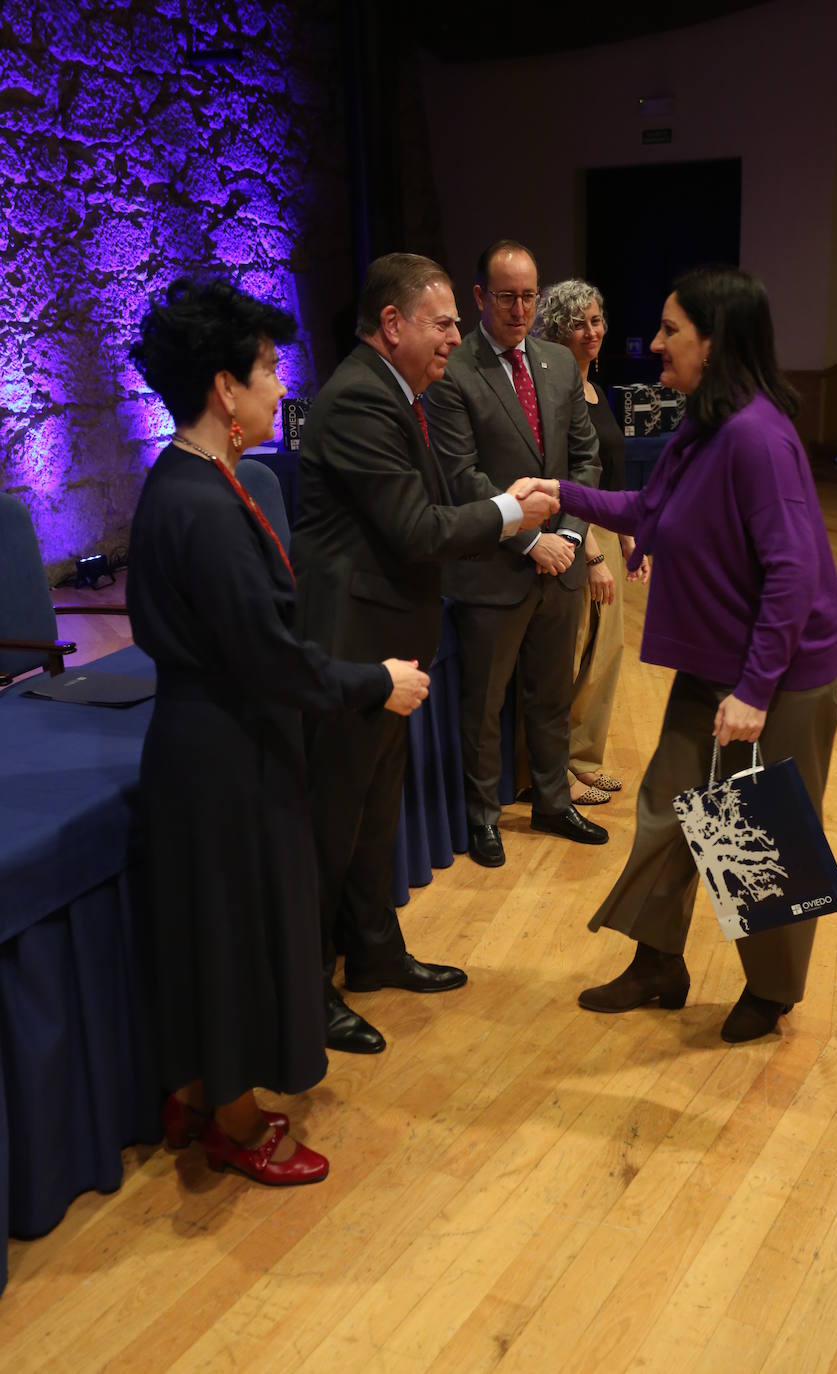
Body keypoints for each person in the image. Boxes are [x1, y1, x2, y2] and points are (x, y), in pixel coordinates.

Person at [127, 277, 431, 1185]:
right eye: (266, 371)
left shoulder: (185, 479)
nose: (275, 388)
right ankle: (234, 1116)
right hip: (226, 754)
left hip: (205, 742)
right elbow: (269, 658)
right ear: (224, 389)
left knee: (206, 928)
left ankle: (190, 1088)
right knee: (232, 935)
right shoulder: (207, 506)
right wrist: (374, 681)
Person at [517, 265, 837, 1042]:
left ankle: (771, 994)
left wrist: (759, 690)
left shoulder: (758, 437)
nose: (655, 341)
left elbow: (793, 574)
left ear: (716, 340)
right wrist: (560, 492)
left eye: (672, 330)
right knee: (669, 806)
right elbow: (645, 509)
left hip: (780, 675)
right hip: (718, 666)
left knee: (754, 829)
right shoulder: (704, 421)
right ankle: (659, 960)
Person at [290, 252, 558, 1056]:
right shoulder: (359, 400)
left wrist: (504, 508)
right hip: (350, 650)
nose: (452, 336)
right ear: (393, 322)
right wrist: (510, 511)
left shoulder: (404, 395)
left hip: (390, 648)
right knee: (330, 829)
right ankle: (311, 994)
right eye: (441, 321)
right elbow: (415, 529)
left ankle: (373, 953)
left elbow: (436, 508)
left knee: (374, 817)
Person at [424, 240, 607, 869]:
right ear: (480, 297)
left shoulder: (557, 362)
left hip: (563, 563)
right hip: (495, 566)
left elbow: (586, 462)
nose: (520, 308)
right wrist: (532, 539)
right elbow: (460, 476)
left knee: (551, 697)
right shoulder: (453, 370)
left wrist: (574, 539)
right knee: (484, 706)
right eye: (507, 296)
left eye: (529, 295)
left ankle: (553, 801)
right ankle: (482, 818)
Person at [529, 279, 650, 806]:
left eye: (597, 320)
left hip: (604, 527)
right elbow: (563, 478)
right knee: (575, 654)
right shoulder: (553, 393)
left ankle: (585, 759)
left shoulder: (599, 391)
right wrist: (594, 552)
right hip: (572, 531)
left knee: (607, 654)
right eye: (579, 322)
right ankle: (560, 767)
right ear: (557, 329)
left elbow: (613, 476)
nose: (592, 331)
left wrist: (628, 540)